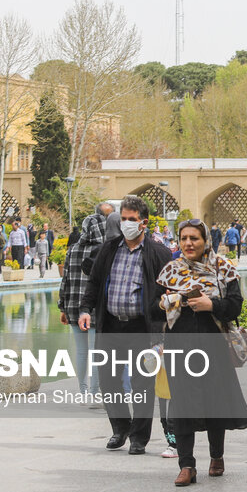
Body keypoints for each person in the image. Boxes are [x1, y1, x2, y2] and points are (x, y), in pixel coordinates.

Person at [156, 218, 247, 486]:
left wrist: (211, 304)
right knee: (183, 404)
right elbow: (154, 308)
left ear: (205, 240)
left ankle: (216, 457)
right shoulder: (170, 271)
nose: (189, 243)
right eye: (184, 238)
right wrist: (172, 300)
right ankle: (186, 465)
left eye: (194, 238)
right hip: (180, 346)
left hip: (214, 345)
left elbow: (235, 307)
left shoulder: (224, 268)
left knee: (215, 402)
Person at [78, 195, 173, 455]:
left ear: (144, 223)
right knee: (109, 382)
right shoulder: (109, 249)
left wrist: (163, 330)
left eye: (132, 220)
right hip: (110, 326)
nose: (127, 224)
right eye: (123, 219)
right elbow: (94, 283)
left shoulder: (159, 253)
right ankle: (120, 428)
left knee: (142, 383)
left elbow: (169, 292)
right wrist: (85, 310)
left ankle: (139, 437)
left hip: (141, 328)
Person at [58, 242, 99, 396]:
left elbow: (65, 279)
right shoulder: (103, 248)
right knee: (97, 352)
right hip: (94, 306)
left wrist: (62, 306)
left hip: (73, 304)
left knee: (81, 351)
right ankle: (95, 393)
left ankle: (83, 392)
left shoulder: (73, 249)